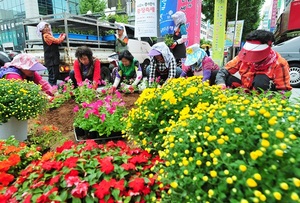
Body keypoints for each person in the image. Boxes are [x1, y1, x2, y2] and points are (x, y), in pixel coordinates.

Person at [215, 30, 292, 92]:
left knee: (261, 80)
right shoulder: (243, 56)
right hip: (245, 89)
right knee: (216, 74)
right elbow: (224, 70)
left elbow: (284, 90)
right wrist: (221, 84)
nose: (252, 59)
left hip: (263, 96)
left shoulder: (279, 63)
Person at [37, 21, 66, 86]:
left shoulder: (48, 35)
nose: (47, 28)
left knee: (54, 76)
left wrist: (60, 36)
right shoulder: (46, 35)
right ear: (42, 29)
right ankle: (51, 91)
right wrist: (63, 36)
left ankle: (52, 90)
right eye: (45, 27)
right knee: (53, 77)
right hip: (51, 60)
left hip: (52, 59)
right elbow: (57, 41)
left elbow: (55, 40)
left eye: (47, 26)